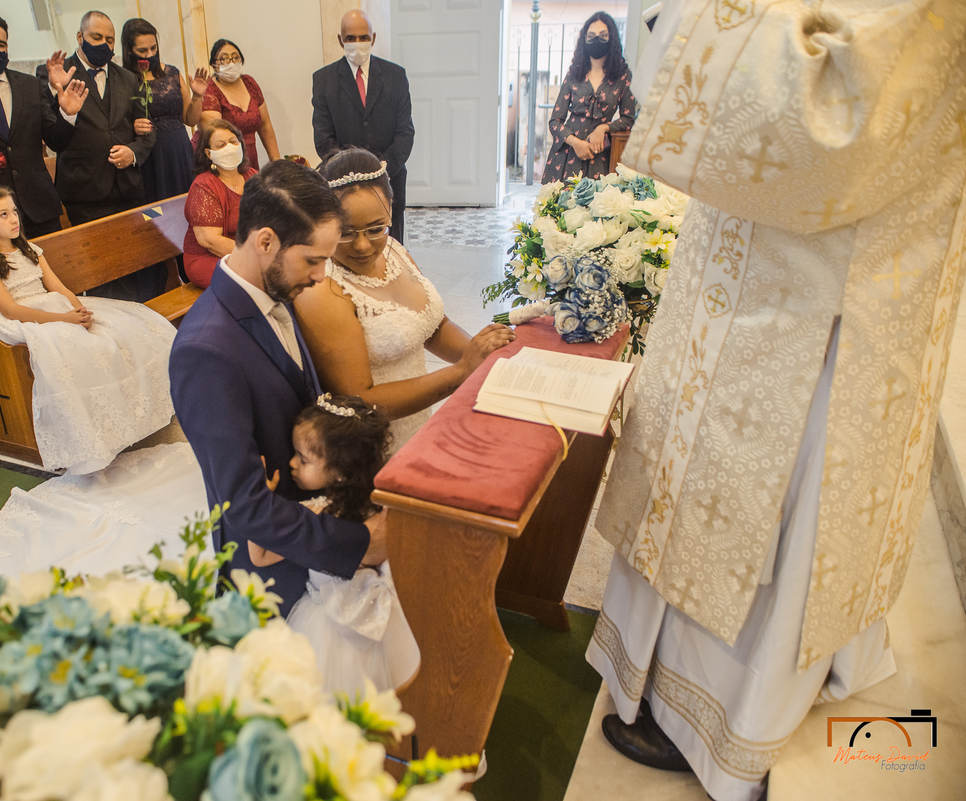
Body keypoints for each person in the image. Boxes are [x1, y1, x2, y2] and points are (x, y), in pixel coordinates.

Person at [585, 3, 966, 801]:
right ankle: (699, 680)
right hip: (762, 277)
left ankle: (726, 725)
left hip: (811, 309)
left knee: (767, 518)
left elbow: (826, 120)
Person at [169, 158, 387, 616]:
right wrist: (360, 541)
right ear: (265, 241)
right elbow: (245, 506)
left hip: (314, 525)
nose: (320, 276)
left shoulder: (276, 291)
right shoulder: (205, 350)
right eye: (313, 259)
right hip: (269, 569)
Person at [295, 148, 514, 451]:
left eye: (376, 229)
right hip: (371, 446)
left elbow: (432, 326)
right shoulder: (322, 289)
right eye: (345, 233)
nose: (362, 245)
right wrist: (460, 372)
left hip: (418, 423)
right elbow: (360, 400)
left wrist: (484, 356)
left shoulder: (395, 250)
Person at [0, 181, 176, 474]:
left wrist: (77, 308)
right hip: (22, 319)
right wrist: (65, 320)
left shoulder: (30, 250)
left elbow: (58, 287)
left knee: (120, 329)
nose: (14, 219)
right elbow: (11, 309)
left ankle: (129, 418)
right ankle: (92, 435)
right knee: (81, 347)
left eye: (14, 211)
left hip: (53, 307)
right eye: (3, 214)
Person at [249, 393, 419, 696]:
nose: (291, 463)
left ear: (340, 473)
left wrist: (261, 503)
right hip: (383, 621)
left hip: (324, 625)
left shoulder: (316, 513)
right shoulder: (381, 509)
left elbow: (260, 555)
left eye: (303, 459)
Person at [0, 12, 85, 241]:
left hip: (39, 206)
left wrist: (68, 115)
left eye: (1, 44)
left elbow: (55, 140)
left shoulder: (29, 85)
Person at [47, 10, 156, 301]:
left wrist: (133, 151)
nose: (104, 45)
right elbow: (53, 138)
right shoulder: (59, 73)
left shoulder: (129, 78)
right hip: (84, 189)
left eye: (110, 40)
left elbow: (147, 130)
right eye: (97, 37)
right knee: (99, 272)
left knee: (132, 265)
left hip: (127, 188)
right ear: (80, 37)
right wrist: (62, 107)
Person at [311, 10, 414, 243]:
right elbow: (323, 138)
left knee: (392, 250)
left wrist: (380, 169)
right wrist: (350, 173)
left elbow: (405, 133)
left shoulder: (395, 76)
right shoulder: (323, 80)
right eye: (351, 38)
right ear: (340, 40)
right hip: (345, 186)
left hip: (391, 180)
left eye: (363, 37)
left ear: (373, 38)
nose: (357, 43)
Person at [542, 11, 635, 184]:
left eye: (603, 36)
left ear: (612, 39)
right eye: (591, 36)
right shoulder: (574, 74)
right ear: (584, 40)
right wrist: (576, 143)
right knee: (562, 207)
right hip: (568, 155)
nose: (596, 40)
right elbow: (555, 121)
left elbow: (629, 119)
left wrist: (603, 128)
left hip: (600, 156)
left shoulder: (622, 76)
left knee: (595, 207)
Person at [122, 18, 208, 202]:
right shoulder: (124, 79)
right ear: (129, 50)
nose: (150, 54)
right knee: (155, 211)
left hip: (178, 149)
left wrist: (197, 96)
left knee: (186, 204)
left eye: (154, 48)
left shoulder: (172, 73)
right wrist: (132, 126)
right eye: (142, 50)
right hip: (150, 154)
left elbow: (190, 120)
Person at [182, 120, 256, 289]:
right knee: (257, 277)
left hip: (248, 252)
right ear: (208, 154)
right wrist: (254, 255)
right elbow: (210, 241)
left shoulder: (252, 176)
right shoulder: (204, 186)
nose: (229, 147)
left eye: (233, 141)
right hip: (207, 258)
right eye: (221, 145)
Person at [196, 39, 280, 170]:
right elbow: (215, 137)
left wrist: (276, 162)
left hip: (250, 156)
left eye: (236, 58)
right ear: (213, 64)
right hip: (224, 161)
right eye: (224, 59)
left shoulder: (249, 82)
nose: (231, 63)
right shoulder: (209, 90)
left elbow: (265, 125)